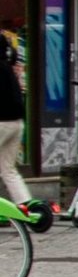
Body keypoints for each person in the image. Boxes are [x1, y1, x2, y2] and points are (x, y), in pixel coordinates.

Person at [0, 33, 30, 208]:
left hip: (2, 123)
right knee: (8, 170)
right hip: (17, 123)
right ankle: (25, 205)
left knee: (8, 169)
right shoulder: (7, 67)